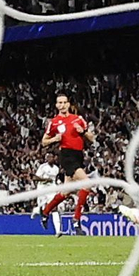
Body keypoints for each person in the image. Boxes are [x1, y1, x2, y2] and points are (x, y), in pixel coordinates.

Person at [38, 91, 95, 234]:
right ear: (57, 105)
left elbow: (91, 138)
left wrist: (82, 132)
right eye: (59, 103)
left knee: (66, 191)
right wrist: (54, 140)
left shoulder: (78, 119)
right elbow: (44, 141)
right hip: (66, 155)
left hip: (78, 155)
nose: (62, 105)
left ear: (69, 104)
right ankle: (76, 221)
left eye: (64, 102)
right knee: (87, 184)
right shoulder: (54, 122)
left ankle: (45, 212)